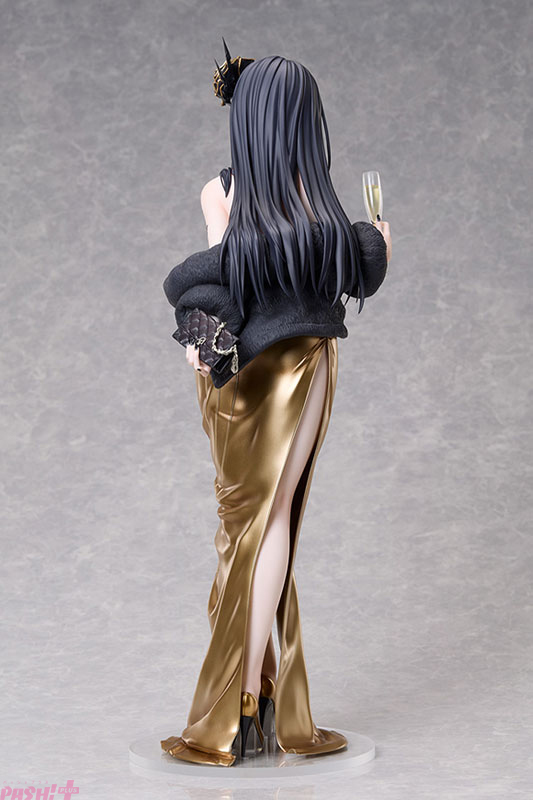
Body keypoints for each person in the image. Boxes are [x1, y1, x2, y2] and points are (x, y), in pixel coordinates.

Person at [160, 41, 392, 767]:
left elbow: (224, 280)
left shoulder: (251, 197)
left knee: (256, 525)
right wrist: (375, 244)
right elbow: (225, 285)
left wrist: (370, 246)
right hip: (291, 368)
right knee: (263, 523)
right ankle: (251, 694)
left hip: (267, 373)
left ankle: (240, 701)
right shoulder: (301, 204)